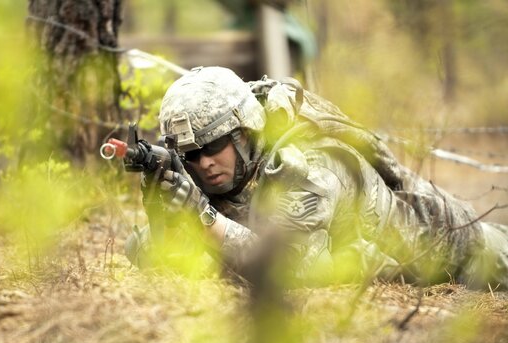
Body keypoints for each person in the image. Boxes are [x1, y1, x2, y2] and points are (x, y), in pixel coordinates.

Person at [126, 66, 508, 289]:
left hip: (458, 251)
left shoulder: (308, 168)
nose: (203, 163)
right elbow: (153, 253)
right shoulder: (231, 173)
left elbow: (290, 271)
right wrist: (166, 214)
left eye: (213, 147)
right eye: (190, 155)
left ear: (244, 133)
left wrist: (205, 221)